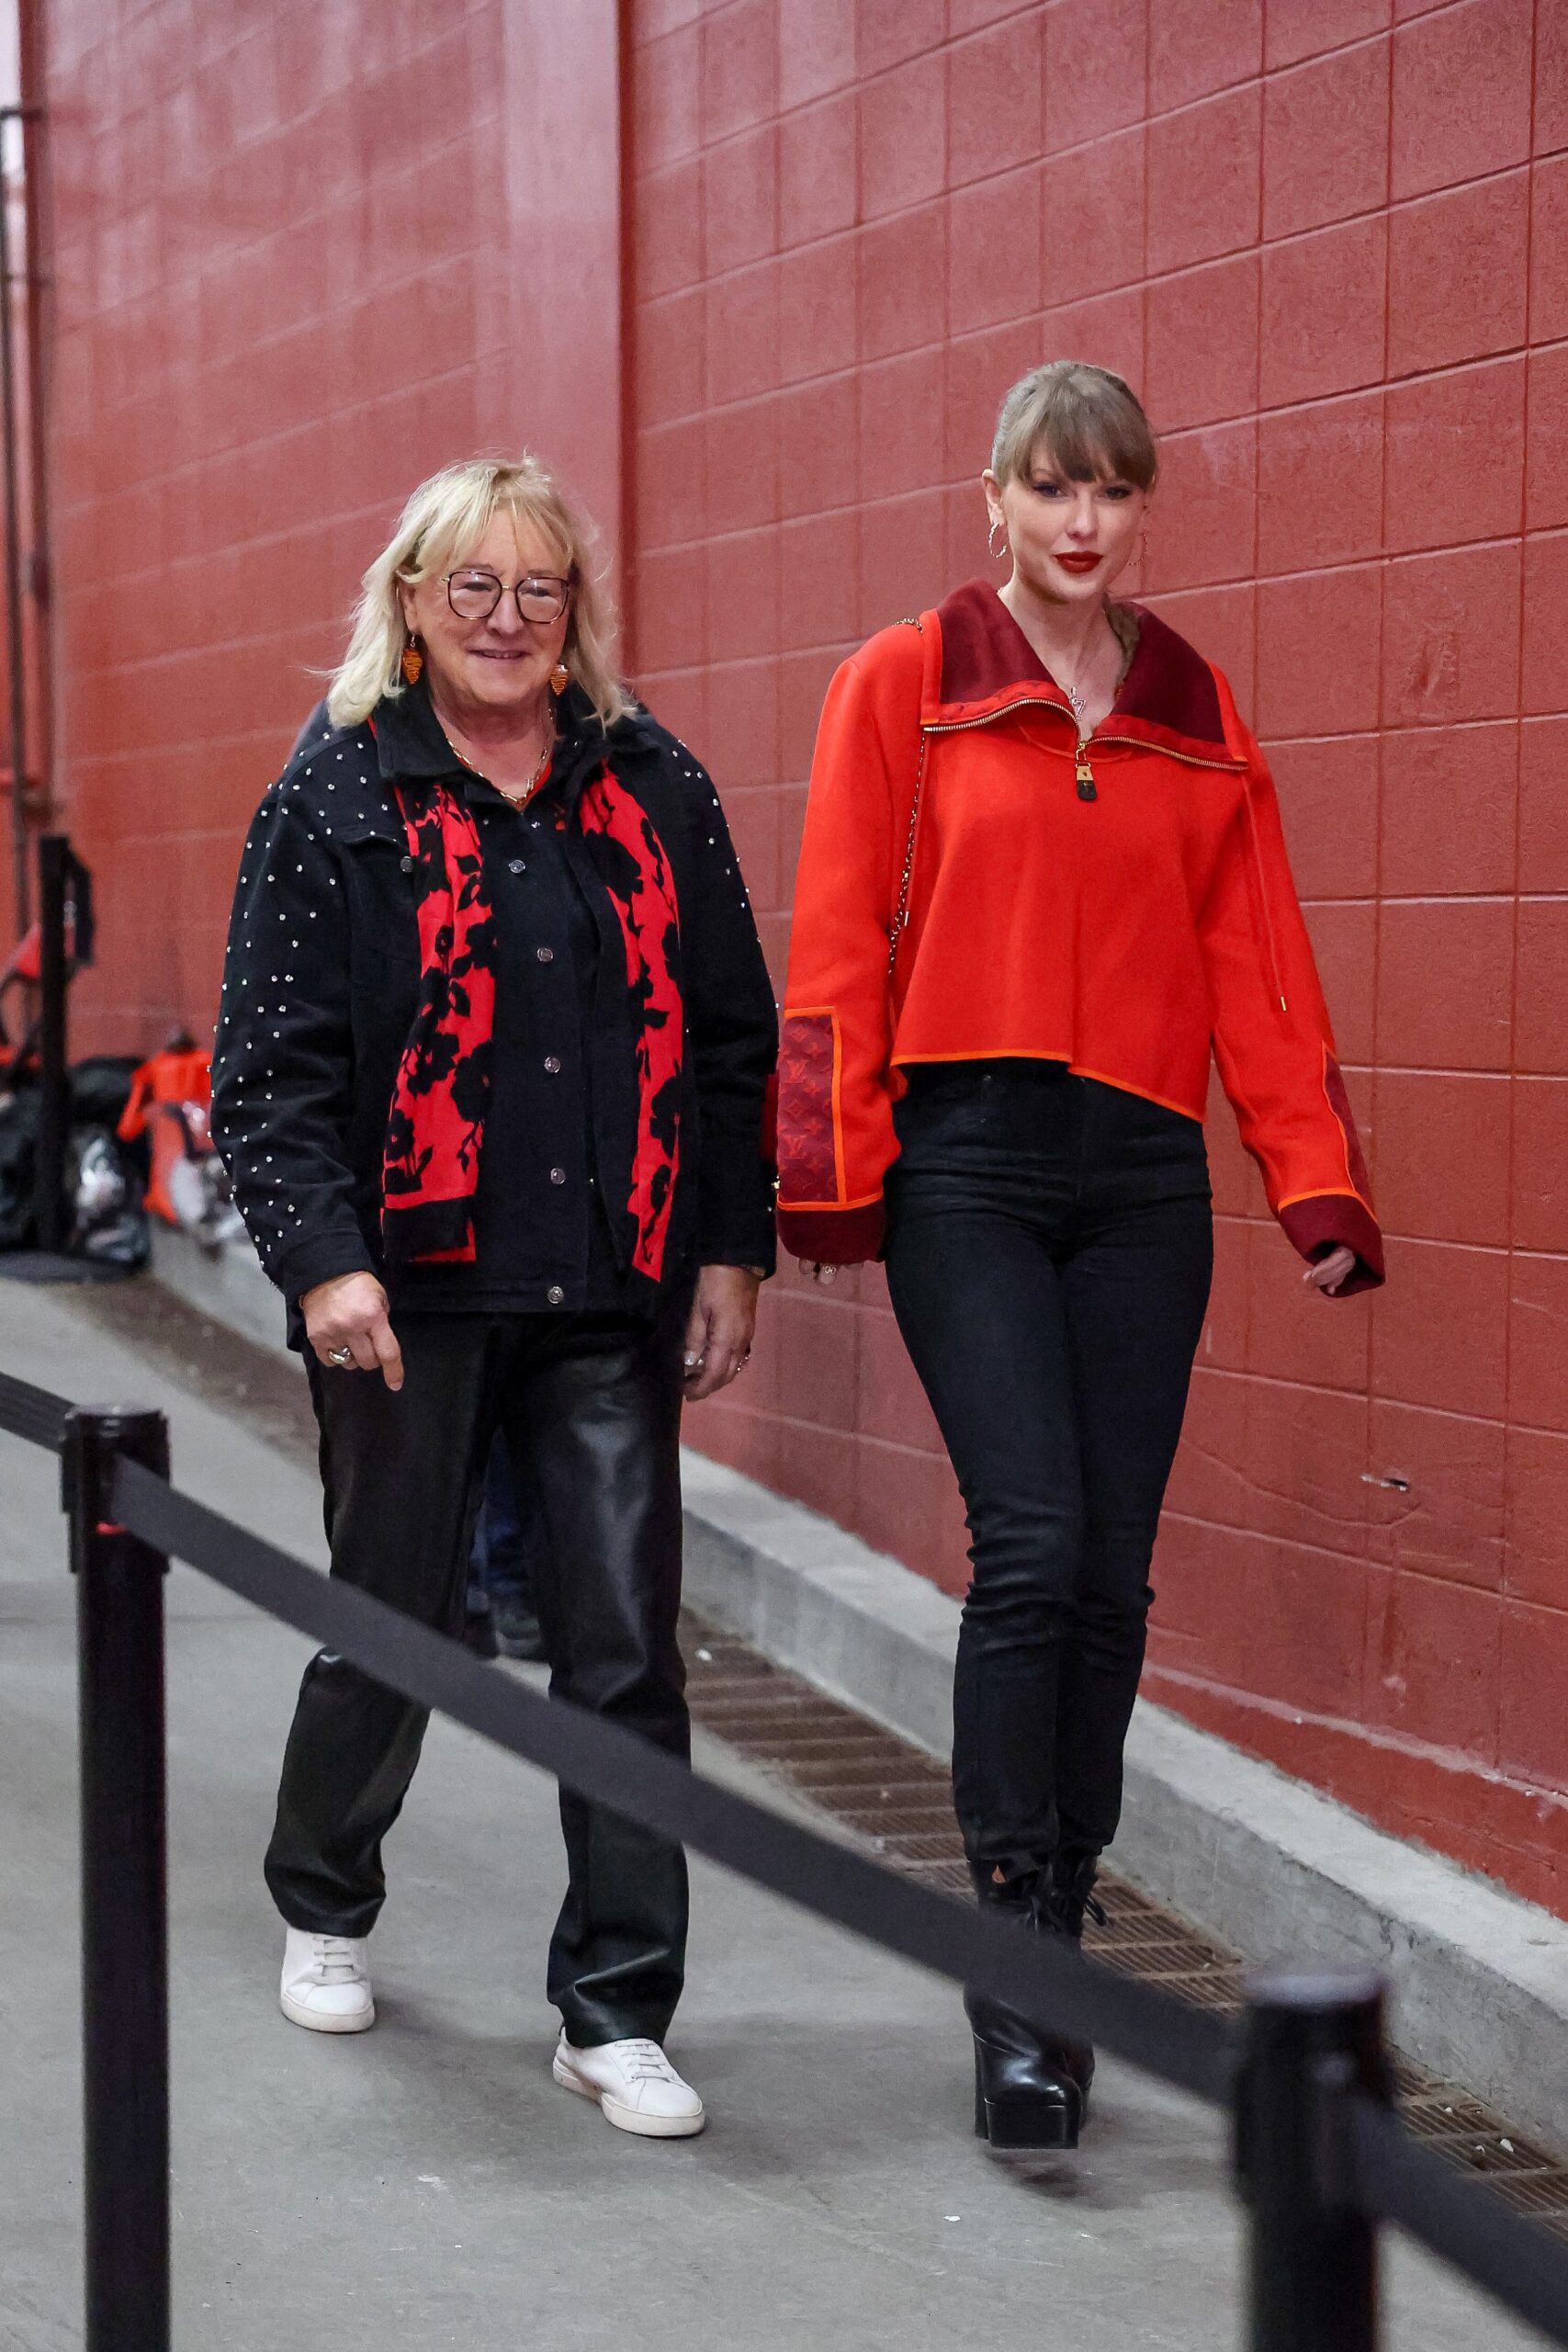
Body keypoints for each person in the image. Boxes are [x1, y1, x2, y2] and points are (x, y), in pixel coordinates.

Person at [775, 362, 1384, 2152]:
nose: (1078, 519)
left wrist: (1310, 1175)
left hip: (1134, 1174)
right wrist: (827, 1174)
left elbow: (1256, 957)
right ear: (991, 495)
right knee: (1029, 1544)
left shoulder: (1194, 707)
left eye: (1110, 489)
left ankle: (1063, 1884)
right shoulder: (905, 681)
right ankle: (1016, 1958)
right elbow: (830, 930)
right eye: (1049, 485)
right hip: (963, 1159)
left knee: (1109, 1575)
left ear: (1136, 508)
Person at [212, 454, 776, 2139]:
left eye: (540, 591)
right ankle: (323, 1897)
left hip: (611, 1282)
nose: (508, 620)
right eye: (474, 588)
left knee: (622, 1651)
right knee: (393, 1620)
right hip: (409, 1292)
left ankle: (614, 2007)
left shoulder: (655, 784)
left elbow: (734, 1037)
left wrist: (731, 1246)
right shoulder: (336, 798)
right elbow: (270, 1073)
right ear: (411, 601)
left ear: (575, 616)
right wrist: (324, 1264)